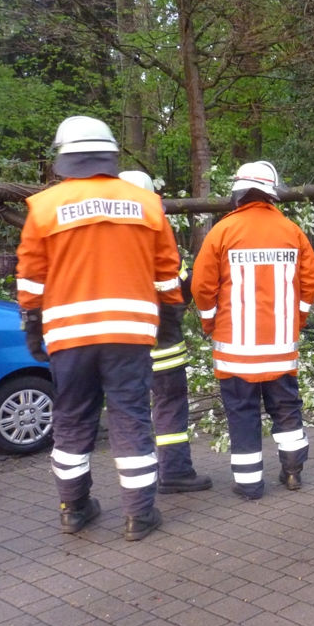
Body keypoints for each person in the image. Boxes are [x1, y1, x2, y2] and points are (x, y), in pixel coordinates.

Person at [16, 116, 183, 541]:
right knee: (131, 419)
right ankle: (139, 516)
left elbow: (31, 277)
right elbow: (167, 271)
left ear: (64, 158)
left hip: (69, 336)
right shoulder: (146, 204)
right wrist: (170, 316)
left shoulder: (44, 207)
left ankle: (74, 509)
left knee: (72, 418)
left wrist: (32, 323)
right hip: (130, 334)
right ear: (110, 154)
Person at [191, 161, 314, 500]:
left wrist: (209, 322)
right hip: (280, 347)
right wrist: (297, 320)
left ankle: (249, 485)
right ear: (271, 194)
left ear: (239, 193)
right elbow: (311, 282)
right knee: (286, 409)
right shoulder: (292, 231)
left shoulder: (222, 231)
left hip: (235, 350)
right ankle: (292, 472)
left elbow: (202, 286)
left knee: (242, 413)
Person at [118, 170, 212, 495]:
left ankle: (136, 484)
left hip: (120, 349)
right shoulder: (156, 235)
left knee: (128, 413)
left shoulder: (102, 242)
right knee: (169, 406)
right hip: (163, 346)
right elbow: (182, 288)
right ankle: (175, 472)